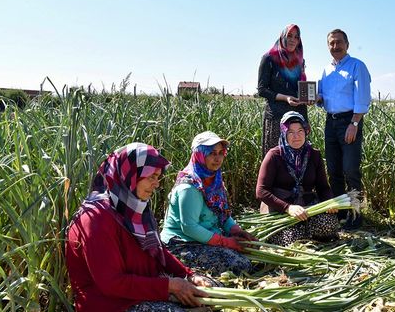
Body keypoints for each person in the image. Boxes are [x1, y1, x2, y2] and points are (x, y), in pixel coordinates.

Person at [66, 143, 215, 312]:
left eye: (158, 177)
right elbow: (111, 283)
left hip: (140, 292)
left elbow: (156, 250)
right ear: (129, 175)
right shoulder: (96, 218)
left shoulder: (132, 207)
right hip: (110, 304)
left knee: (210, 291)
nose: (157, 184)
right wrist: (170, 286)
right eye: (151, 177)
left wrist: (188, 275)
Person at [161, 131, 255, 276]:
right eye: (212, 153)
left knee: (251, 254)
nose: (218, 158)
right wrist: (227, 242)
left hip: (206, 236)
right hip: (182, 243)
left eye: (220, 153)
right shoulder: (190, 186)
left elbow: (221, 212)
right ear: (199, 155)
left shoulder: (214, 180)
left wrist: (236, 230)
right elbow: (189, 227)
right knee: (240, 265)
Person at [256, 111, 339, 246]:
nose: (296, 136)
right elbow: (261, 191)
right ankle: (304, 236)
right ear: (284, 133)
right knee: (293, 239)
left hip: (307, 208)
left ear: (306, 132)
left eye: (300, 131)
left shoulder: (314, 155)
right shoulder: (274, 155)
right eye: (291, 132)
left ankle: (309, 235)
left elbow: (323, 186)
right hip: (280, 210)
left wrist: (329, 201)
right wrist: (288, 208)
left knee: (329, 226)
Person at [317, 29, 372, 230]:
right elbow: (321, 95)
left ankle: (356, 214)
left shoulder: (357, 66)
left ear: (347, 44)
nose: (335, 46)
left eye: (339, 42)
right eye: (331, 43)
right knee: (334, 170)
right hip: (330, 123)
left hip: (349, 121)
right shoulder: (326, 70)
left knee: (350, 169)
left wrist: (354, 123)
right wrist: (316, 98)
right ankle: (341, 212)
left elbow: (363, 97)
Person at [257, 24, 311, 156]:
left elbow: (301, 89)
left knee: (296, 160)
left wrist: (306, 117)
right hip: (276, 117)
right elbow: (262, 90)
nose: (293, 40)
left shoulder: (300, 61)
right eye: (289, 36)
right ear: (282, 37)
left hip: (296, 120)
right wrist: (285, 98)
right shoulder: (269, 58)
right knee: (276, 158)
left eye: (296, 37)